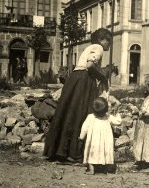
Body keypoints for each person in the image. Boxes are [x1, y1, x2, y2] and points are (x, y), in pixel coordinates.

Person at [44, 28, 112, 162]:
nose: (109, 44)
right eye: (108, 40)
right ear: (100, 40)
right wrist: (103, 78)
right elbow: (90, 65)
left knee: (69, 111)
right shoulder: (98, 48)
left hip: (75, 78)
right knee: (81, 113)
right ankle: (73, 153)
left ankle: (59, 150)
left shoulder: (88, 48)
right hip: (84, 80)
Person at [78, 97, 122, 175]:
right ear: (106, 110)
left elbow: (84, 128)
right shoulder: (108, 117)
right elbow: (118, 122)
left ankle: (91, 169)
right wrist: (117, 113)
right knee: (105, 152)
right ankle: (105, 168)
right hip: (105, 141)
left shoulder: (90, 117)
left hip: (94, 142)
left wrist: (81, 137)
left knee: (92, 153)